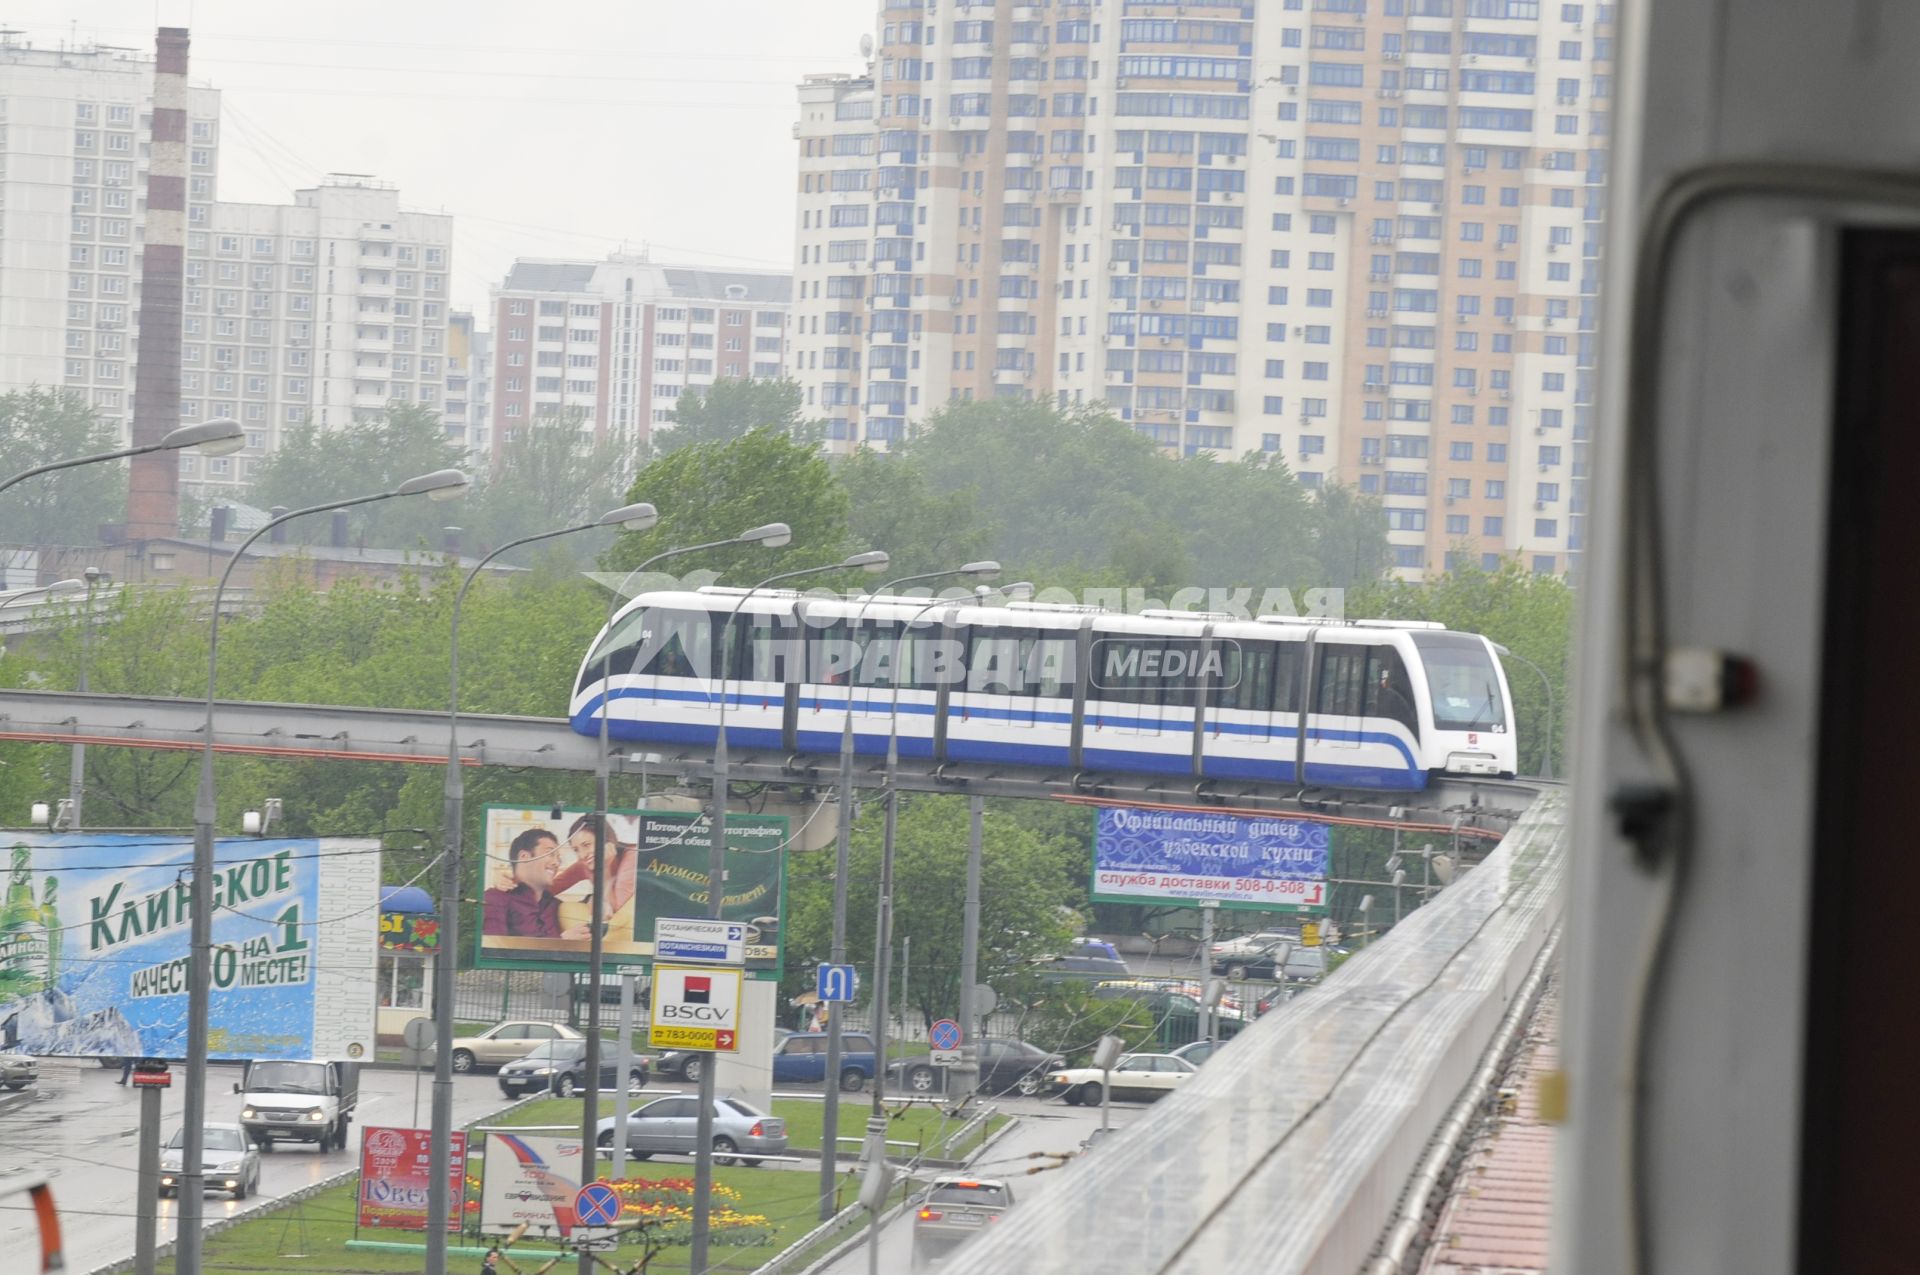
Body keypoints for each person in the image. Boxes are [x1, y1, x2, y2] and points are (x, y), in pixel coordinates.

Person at [482, 829, 591, 939]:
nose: (557, 863)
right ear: (524, 857)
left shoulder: (555, 905)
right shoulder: (495, 898)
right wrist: (561, 942)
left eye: (558, 858)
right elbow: (495, 951)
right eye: (550, 853)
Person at [548, 813, 639, 915]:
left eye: (586, 845)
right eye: (576, 850)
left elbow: (616, 911)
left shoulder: (632, 858)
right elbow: (549, 890)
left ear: (606, 840)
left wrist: (604, 868)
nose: (582, 855)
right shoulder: (584, 864)